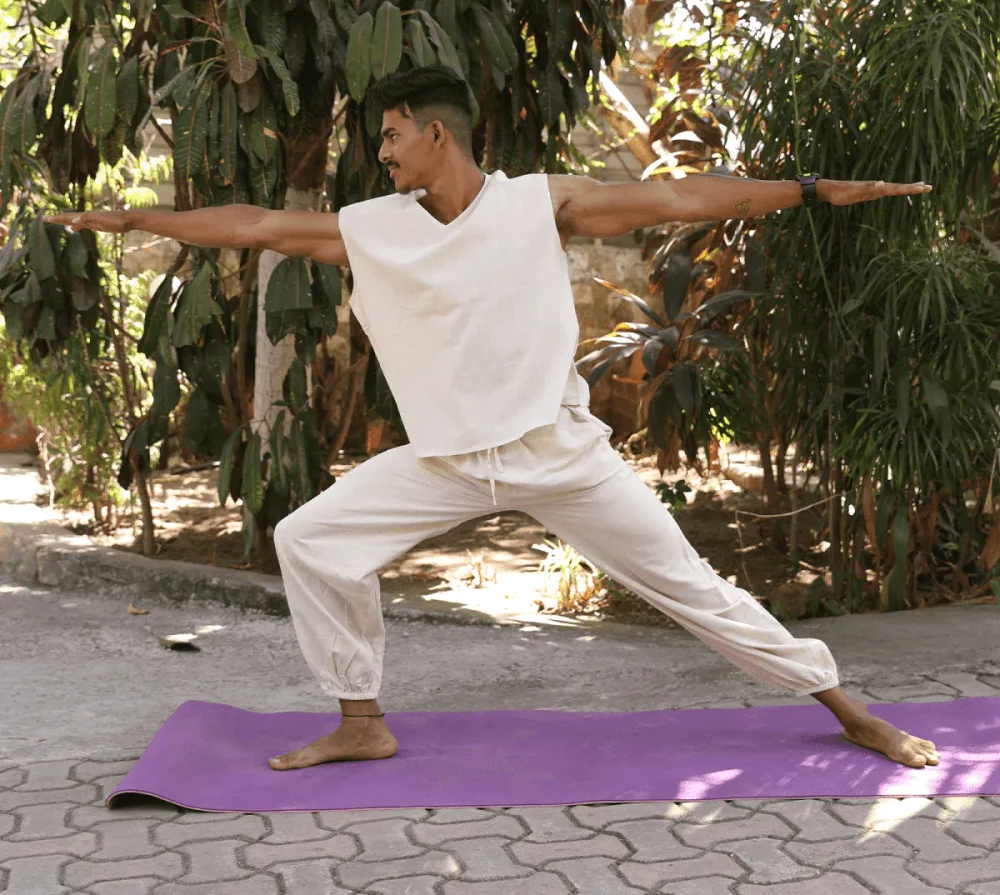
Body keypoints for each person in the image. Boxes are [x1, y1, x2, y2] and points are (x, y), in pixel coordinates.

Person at [53, 64, 939, 773]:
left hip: (556, 450)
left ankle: (851, 714)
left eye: (392, 137)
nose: (384, 155)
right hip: (444, 457)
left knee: (692, 590)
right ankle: (361, 723)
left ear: (437, 132)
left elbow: (685, 201)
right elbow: (258, 227)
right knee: (310, 540)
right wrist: (140, 215)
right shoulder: (379, 225)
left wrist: (815, 190)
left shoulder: (541, 203)